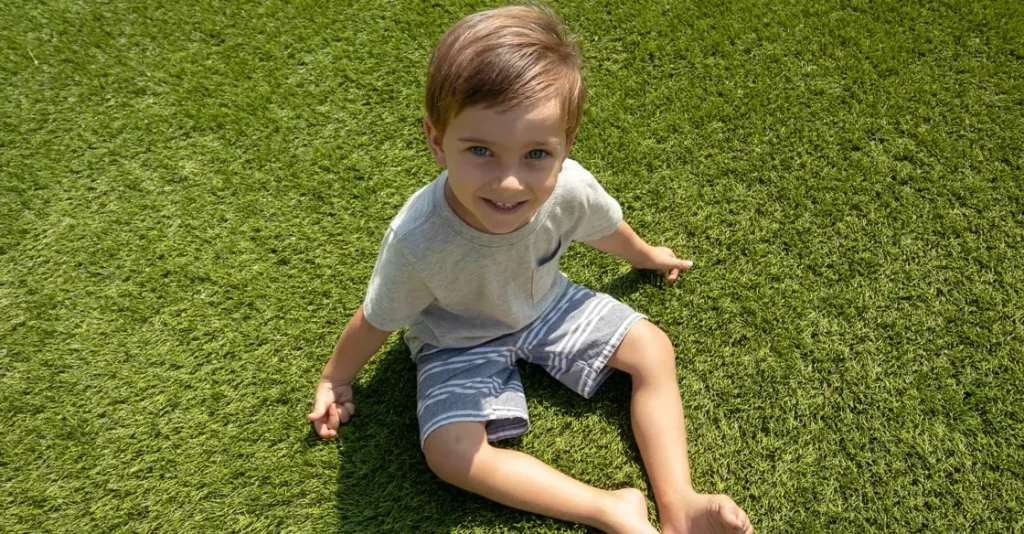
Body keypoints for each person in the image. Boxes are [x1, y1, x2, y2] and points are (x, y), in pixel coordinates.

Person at [307, 6, 752, 534]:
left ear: (566, 149)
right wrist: (337, 377)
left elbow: (605, 228)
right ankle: (609, 508)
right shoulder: (417, 239)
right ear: (435, 141)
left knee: (653, 347)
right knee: (449, 453)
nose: (510, 183)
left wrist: (646, 254)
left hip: (548, 304)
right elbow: (377, 317)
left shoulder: (570, 188)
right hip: (457, 337)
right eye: (481, 151)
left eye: (536, 154)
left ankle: (679, 503)